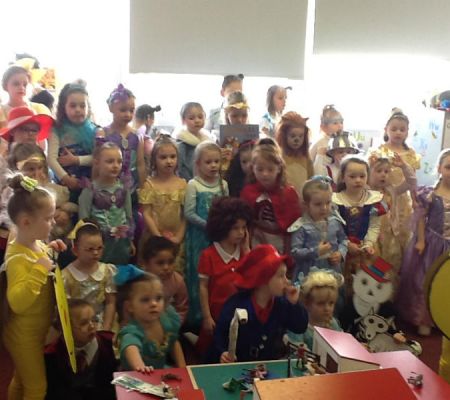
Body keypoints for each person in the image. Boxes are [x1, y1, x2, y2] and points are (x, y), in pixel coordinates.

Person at [1, 173, 66, 400]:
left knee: (22, 379)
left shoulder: (34, 242)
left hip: (35, 331)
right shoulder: (17, 258)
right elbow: (17, 302)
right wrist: (39, 269)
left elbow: (38, 257)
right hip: (23, 335)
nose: (53, 223)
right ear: (26, 222)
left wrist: (50, 249)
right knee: (37, 387)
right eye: (48, 219)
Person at [210, 244, 308, 363]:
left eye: (286, 275)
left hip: (270, 366)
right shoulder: (236, 304)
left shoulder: (283, 304)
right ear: (263, 279)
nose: (287, 281)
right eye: (281, 276)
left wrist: (295, 304)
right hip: (240, 365)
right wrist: (222, 352)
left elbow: (300, 327)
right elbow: (220, 334)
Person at [397, 149, 450, 336]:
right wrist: (420, 240)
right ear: (439, 168)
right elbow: (421, 217)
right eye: (448, 167)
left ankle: (443, 316)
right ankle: (423, 318)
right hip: (432, 243)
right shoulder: (430, 194)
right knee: (424, 280)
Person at [197, 197, 252, 353]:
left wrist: (247, 250)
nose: (241, 233)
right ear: (222, 227)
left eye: (244, 227)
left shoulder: (244, 252)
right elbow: (203, 287)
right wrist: (207, 317)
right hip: (217, 317)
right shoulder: (208, 255)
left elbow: (253, 279)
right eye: (235, 228)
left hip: (241, 316)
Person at [184, 141, 228, 328]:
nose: (213, 166)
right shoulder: (193, 185)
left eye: (216, 161)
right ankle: (198, 316)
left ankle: (217, 311)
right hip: (199, 238)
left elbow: (227, 209)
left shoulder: (223, 184)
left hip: (219, 238)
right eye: (208, 162)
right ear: (198, 164)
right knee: (200, 274)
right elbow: (189, 213)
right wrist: (208, 225)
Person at [332, 156, 387, 296]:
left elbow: (374, 226)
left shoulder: (373, 199)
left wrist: (368, 243)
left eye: (362, 176)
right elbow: (334, 227)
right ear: (343, 177)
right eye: (352, 176)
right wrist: (346, 244)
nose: (358, 180)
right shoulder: (335, 200)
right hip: (342, 249)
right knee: (344, 286)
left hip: (366, 248)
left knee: (370, 284)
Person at [116, 264, 186, 370]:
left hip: (160, 372)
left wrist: (183, 369)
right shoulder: (132, 331)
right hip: (137, 376)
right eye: (145, 300)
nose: (154, 304)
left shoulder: (166, 321)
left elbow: (174, 343)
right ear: (130, 306)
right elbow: (131, 348)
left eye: (158, 298)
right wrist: (141, 367)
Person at [44, 299, 116, 400]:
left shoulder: (109, 344)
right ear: (65, 328)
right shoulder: (51, 354)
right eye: (83, 323)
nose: (92, 326)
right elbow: (53, 391)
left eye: (94, 320)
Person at [241, 139, 301, 254]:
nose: (265, 174)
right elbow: (244, 220)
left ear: (279, 168)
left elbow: (294, 224)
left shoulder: (288, 193)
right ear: (253, 168)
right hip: (256, 239)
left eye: (270, 169)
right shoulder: (248, 191)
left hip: (280, 242)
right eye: (260, 169)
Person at [368, 151, 417, 293]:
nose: (383, 175)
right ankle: (372, 298)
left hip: (390, 238)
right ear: (369, 172)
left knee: (390, 267)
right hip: (372, 239)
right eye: (378, 171)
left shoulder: (392, 190)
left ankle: (388, 298)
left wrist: (403, 166)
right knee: (373, 268)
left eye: (386, 171)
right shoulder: (365, 192)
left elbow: (412, 182)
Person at [7, 143, 77, 241]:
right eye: (31, 169)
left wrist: (63, 211)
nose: (37, 173)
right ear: (17, 170)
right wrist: (52, 214)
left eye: (40, 168)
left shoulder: (46, 187)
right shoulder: (16, 194)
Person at [78, 142, 134, 265]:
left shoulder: (124, 188)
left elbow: (129, 216)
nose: (115, 166)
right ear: (97, 163)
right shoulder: (90, 189)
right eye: (110, 161)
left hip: (121, 243)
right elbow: (83, 220)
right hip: (99, 245)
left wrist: (130, 240)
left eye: (119, 162)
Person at [138, 135, 187, 273]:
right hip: (153, 239)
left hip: (176, 240)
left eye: (172, 157)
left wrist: (178, 237)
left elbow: (185, 215)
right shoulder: (149, 185)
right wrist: (158, 236)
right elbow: (146, 213)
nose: (169, 161)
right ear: (154, 160)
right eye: (163, 157)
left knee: (174, 272)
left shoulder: (183, 184)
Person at [376, 108, 420, 253]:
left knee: (403, 234)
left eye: (402, 129)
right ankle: (382, 265)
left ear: (407, 132)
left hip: (403, 201)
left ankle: (401, 266)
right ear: (386, 130)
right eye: (394, 129)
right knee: (384, 233)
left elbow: (413, 180)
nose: (398, 133)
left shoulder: (411, 154)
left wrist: (415, 200)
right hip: (383, 198)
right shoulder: (379, 152)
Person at [48, 82, 103, 194]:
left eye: (82, 106)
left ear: (88, 108)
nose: (78, 110)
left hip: (90, 183)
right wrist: (66, 179)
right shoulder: (57, 130)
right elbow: (51, 159)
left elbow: (99, 158)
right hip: (65, 184)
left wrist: (76, 160)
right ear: (63, 108)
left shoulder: (96, 131)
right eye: (73, 106)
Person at [289, 177, 348, 280]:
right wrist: (315, 252)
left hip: (333, 272)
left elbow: (344, 240)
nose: (324, 208)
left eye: (328, 203)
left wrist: (340, 253)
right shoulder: (301, 227)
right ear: (306, 205)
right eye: (318, 204)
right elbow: (295, 252)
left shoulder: (335, 222)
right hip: (309, 274)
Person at [63, 220, 117, 330]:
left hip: (101, 325)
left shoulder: (107, 271)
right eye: (90, 249)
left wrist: (106, 329)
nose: (96, 253)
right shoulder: (66, 276)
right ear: (75, 250)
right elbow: (65, 309)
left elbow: (110, 303)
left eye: (99, 248)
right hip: (78, 328)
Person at [101, 84, 146, 191]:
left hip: (131, 187)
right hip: (108, 188)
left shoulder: (137, 136)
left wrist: (143, 189)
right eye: (123, 110)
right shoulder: (103, 133)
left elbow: (140, 165)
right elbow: (97, 163)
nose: (128, 114)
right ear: (111, 108)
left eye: (131, 110)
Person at [286, 268, 344, 350]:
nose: (327, 308)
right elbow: (296, 354)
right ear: (306, 303)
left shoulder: (333, 323)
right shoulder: (298, 326)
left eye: (331, 303)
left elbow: (342, 347)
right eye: (321, 303)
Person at [140, 236, 188, 324]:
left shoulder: (177, 281)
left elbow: (182, 308)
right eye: (160, 263)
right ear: (146, 264)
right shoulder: (138, 281)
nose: (166, 267)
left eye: (171, 262)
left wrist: (175, 324)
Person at [275, 111, 314, 198]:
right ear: (284, 135)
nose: (297, 140)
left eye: (301, 136)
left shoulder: (306, 157)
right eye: (292, 136)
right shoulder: (279, 156)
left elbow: (311, 179)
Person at [0, 65, 51, 129]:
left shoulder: (39, 109)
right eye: (16, 84)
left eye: (25, 84)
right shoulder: (1, 111)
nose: (21, 87)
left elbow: (48, 132)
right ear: (5, 86)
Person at [175, 102, 211, 181]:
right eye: (191, 118)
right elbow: (180, 168)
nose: (197, 121)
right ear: (183, 120)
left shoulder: (208, 140)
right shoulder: (181, 143)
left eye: (200, 117)